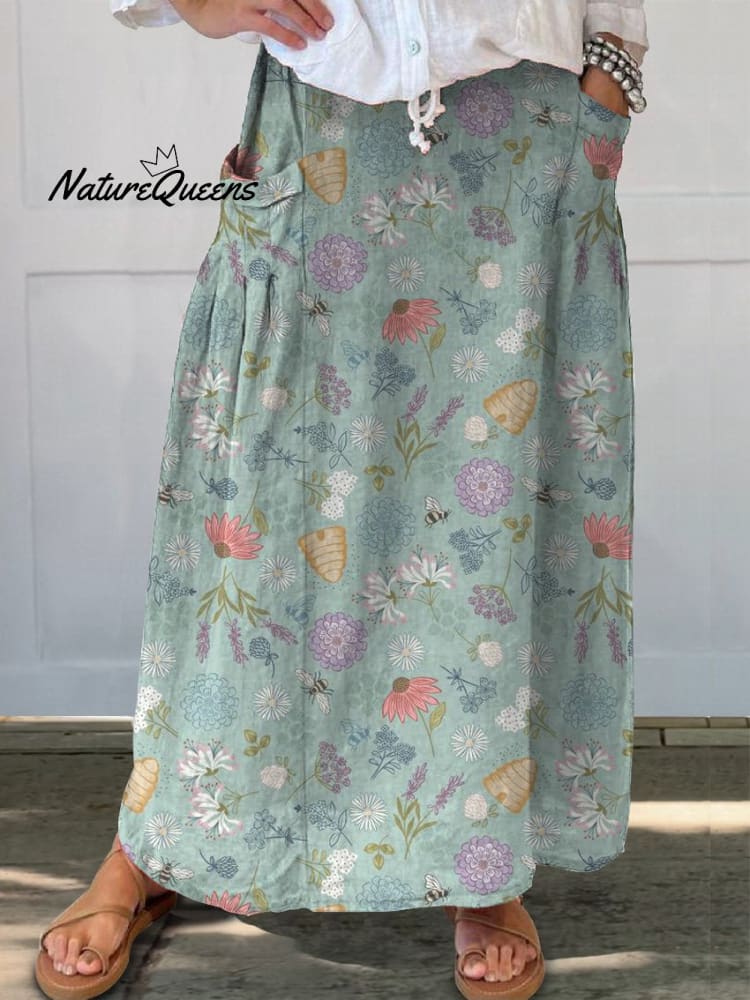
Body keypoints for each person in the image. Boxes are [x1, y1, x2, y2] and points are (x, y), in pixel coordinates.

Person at [36, 3, 648, 999]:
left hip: (530, 135)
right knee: (253, 511)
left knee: (490, 522)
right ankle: (158, 840)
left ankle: (479, 857)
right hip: (321, 116)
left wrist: (613, 74)